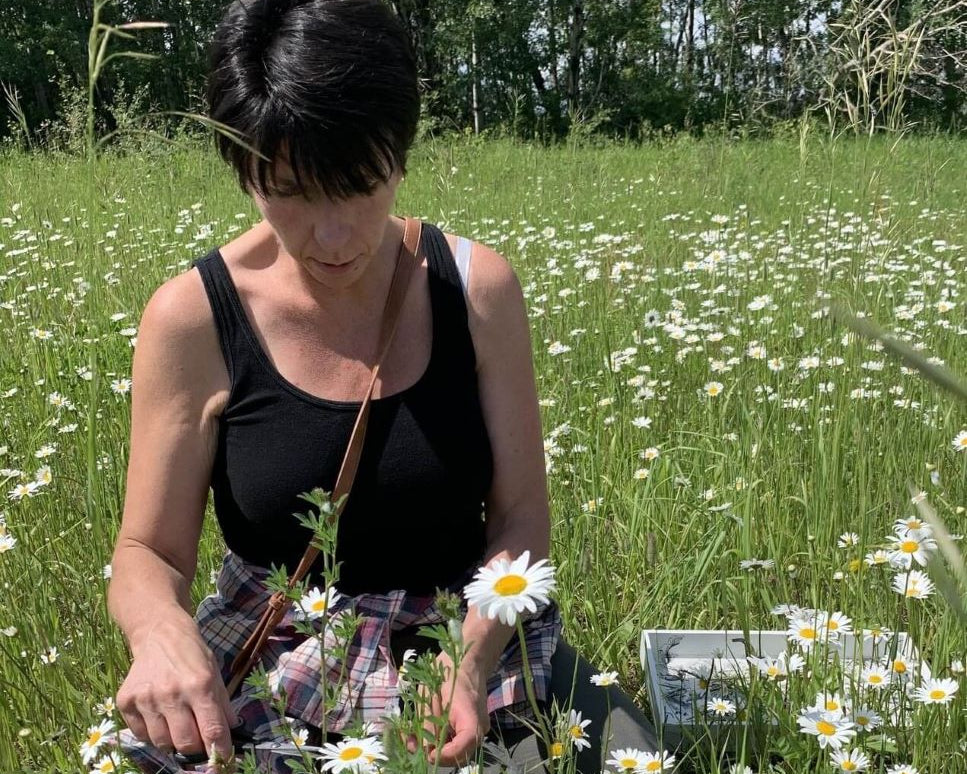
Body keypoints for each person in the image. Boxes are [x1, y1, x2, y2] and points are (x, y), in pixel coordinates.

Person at [108, 1, 657, 772]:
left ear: (399, 157)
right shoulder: (193, 318)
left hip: (463, 632)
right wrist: (160, 634)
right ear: (244, 171)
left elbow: (520, 515)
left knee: (637, 756)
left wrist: (467, 663)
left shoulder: (475, 290)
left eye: (360, 183)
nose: (332, 235)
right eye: (291, 189)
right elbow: (148, 551)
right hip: (282, 644)